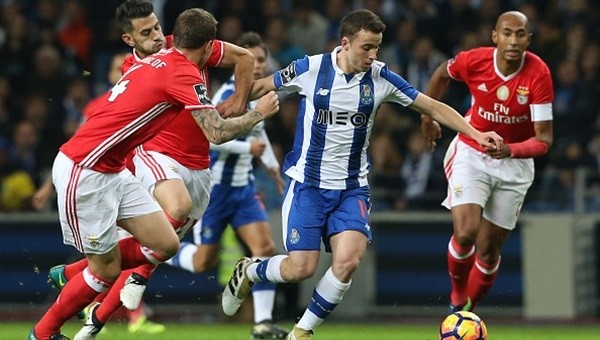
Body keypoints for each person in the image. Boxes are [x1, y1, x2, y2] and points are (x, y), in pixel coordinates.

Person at [220, 9, 503, 340]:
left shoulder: (381, 78)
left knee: (347, 262)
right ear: (345, 43)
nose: (373, 55)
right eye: (367, 47)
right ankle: (250, 270)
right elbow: (261, 86)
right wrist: (230, 102)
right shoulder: (311, 69)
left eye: (377, 47)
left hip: (352, 188)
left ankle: (301, 332)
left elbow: (432, 106)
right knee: (302, 268)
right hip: (308, 186)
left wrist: (475, 134)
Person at [30, 7, 279, 340]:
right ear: (207, 47)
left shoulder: (160, 58)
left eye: (157, 28)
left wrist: (237, 98)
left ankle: (77, 273)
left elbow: (242, 57)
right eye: (146, 33)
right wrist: (256, 114)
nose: (157, 37)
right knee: (105, 271)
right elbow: (217, 133)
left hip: (115, 167)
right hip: (85, 168)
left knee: (166, 243)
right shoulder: (179, 71)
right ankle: (43, 333)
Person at [420, 11, 553, 313]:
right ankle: (456, 299)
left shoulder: (539, 74)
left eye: (520, 34)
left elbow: (544, 140)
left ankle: (465, 313)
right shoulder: (475, 61)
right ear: (495, 37)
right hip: (472, 151)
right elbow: (442, 73)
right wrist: (427, 116)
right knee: (465, 233)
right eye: (507, 33)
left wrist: (511, 151)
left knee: (489, 253)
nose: (513, 40)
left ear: (528, 40)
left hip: (515, 165)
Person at [166, 31, 288, 339]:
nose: (259, 66)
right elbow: (210, 138)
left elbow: (258, 133)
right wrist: (248, 150)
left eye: (262, 60)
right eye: (254, 60)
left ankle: (262, 324)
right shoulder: (223, 96)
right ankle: (163, 249)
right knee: (203, 261)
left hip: (244, 188)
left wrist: (273, 168)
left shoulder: (256, 96)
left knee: (265, 248)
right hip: (216, 189)